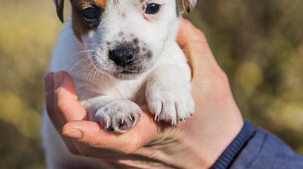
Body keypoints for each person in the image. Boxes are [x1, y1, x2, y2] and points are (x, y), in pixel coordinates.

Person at [44, 18, 303, 168]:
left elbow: (175, 68)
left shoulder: (168, 40)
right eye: (91, 12)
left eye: (152, 9)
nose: (122, 37)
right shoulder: (70, 50)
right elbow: (82, 97)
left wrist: (227, 151)